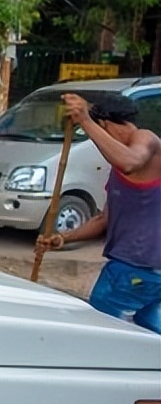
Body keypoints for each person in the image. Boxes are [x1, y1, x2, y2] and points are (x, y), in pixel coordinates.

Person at [37, 92, 161, 334]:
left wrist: (85, 121)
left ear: (105, 124)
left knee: (97, 332)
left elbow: (130, 161)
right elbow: (104, 219)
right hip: (140, 271)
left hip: (134, 270)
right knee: (151, 330)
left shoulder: (145, 139)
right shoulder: (118, 170)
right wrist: (63, 238)